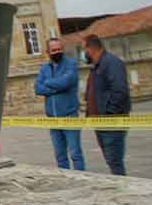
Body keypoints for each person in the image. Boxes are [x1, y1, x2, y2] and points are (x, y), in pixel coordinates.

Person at [83, 34, 131, 175]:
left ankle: (123, 192)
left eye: (84, 48)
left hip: (111, 123)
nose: (83, 53)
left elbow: (120, 91)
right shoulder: (97, 67)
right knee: (111, 161)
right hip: (101, 123)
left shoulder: (111, 63)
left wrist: (108, 114)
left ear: (90, 48)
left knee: (115, 161)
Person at [34, 36, 84, 170]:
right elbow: (38, 88)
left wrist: (48, 83)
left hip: (69, 116)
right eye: (54, 50)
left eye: (59, 49)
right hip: (52, 119)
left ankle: (82, 179)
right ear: (48, 52)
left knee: (75, 153)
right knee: (60, 156)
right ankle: (66, 180)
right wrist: (58, 86)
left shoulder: (71, 64)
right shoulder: (44, 68)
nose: (57, 52)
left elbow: (67, 82)